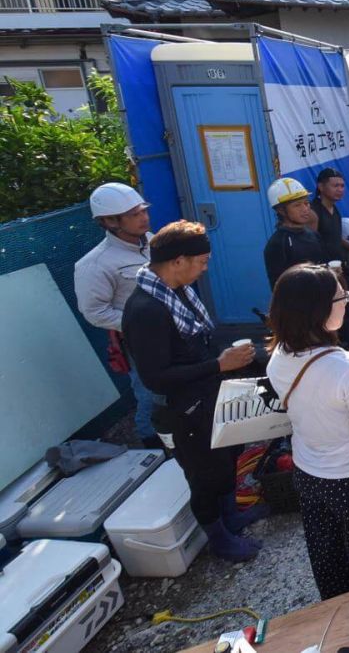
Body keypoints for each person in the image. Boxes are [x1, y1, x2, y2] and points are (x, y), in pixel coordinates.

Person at [121, 221, 264, 562]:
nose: (205, 269)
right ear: (177, 261)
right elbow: (156, 377)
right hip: (183, 409)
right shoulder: (146, 310)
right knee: (204, 475)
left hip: (209, 396)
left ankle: (232, 517)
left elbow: (197, 343)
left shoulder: (177, 291)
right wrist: (218, 366)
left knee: (228, 456)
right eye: (201, 261)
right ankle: (219, 540)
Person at [266, 264, 349, 600]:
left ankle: (338, 621)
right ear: (320, 310)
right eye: (341, 297)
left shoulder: (278, 357)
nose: (346, 301)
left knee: (330, 563)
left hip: (310, 474)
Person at [74, 182, 163, 447]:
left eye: (143, 211)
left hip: (169, 330)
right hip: (139, 341)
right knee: (150, 394)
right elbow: (94, 312)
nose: (144, 218)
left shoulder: (150, 241)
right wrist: (137, 324)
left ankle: (177, 436)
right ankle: (152, 445)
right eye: (134, 214)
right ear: (110, 221)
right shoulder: (95, 264)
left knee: (173, 388)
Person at [263, 177, 326, 288]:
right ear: (281, 210)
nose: (305, 209)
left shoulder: (313, 235)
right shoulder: (277, 243)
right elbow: (279, 288)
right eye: (297, 205)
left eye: (306, 203)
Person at [308, 168, 349, 267]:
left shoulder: (334, 209)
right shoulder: (313, 213)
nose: (340, 189)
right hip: (323, 270)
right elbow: (310, 246)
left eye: (342, 186)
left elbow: (335, 238)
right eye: (335, 186)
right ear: (321, 187)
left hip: (338, 267)